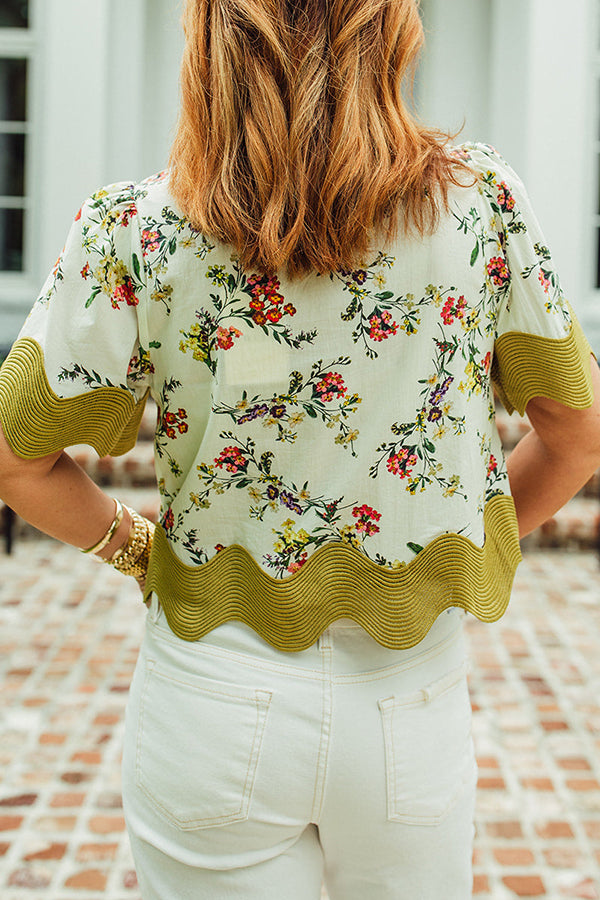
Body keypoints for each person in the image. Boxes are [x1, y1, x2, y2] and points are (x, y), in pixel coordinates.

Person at [1, 1, 599, 897]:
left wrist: (131, 547)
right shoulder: (483, 210)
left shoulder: (133, 229)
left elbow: (16, 460)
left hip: (210, 697)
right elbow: (579, 437)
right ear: (390, 31)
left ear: (209, 40)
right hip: (412, 709)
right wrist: (462, 540)